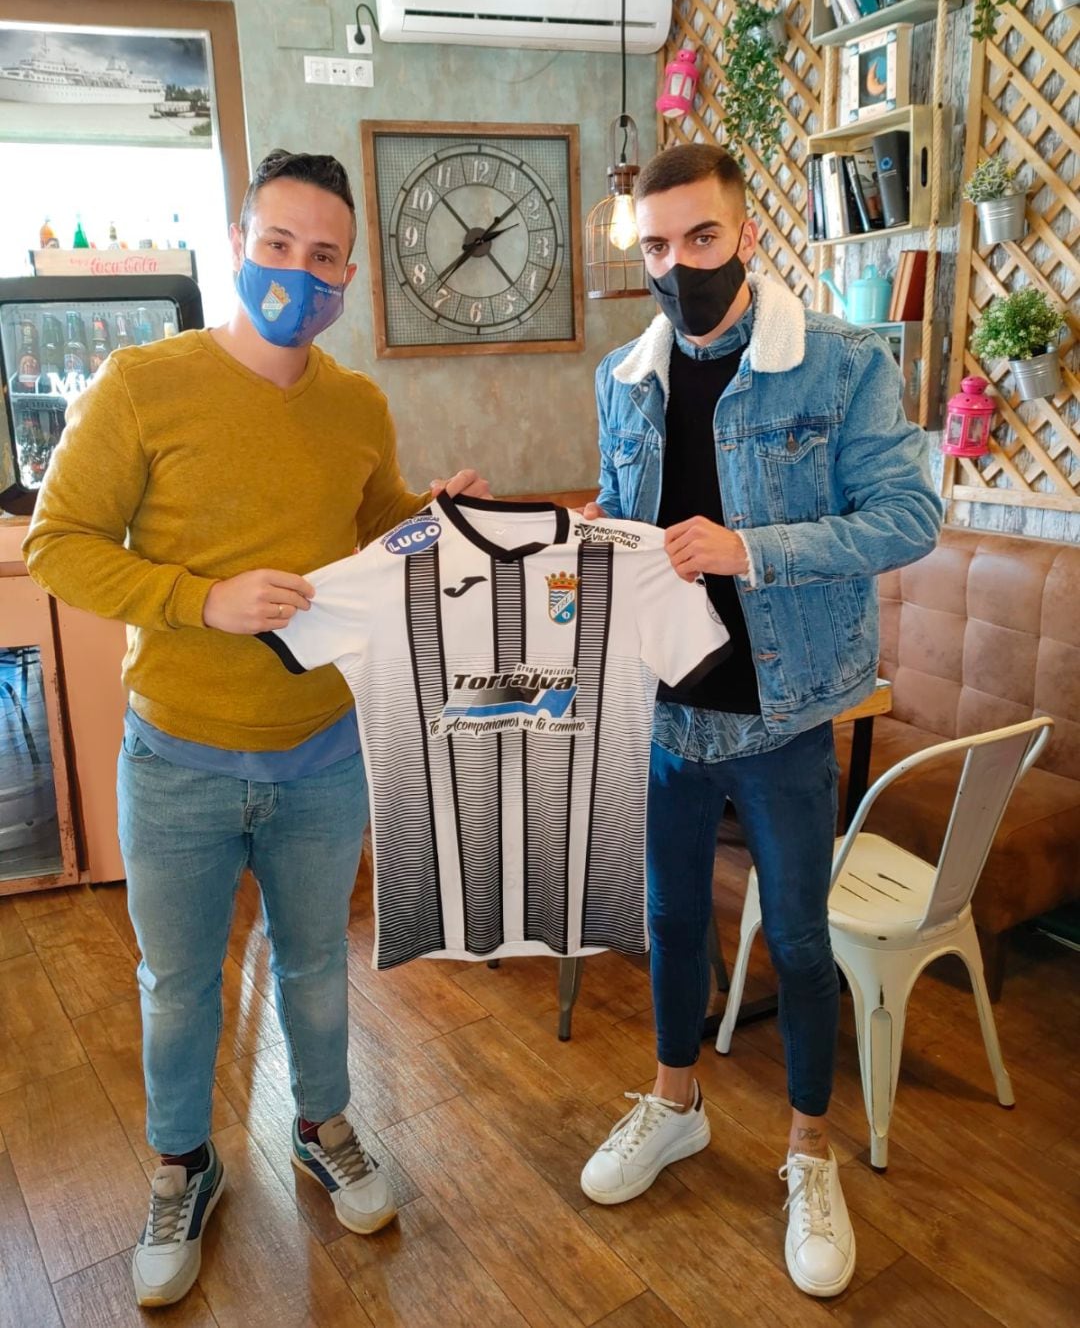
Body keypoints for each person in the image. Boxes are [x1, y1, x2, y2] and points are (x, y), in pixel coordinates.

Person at [23, 148, 488, 1309]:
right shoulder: (141, 384)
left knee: (321, 963)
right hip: (176, 752)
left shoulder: (356, 404)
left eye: (323, 256)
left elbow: (375, 528)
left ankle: (322, 1124)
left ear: (345, 278)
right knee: (179, 982)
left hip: (322, 751)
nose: (297, 270)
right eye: (276, 244)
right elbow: (58, 542)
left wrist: (434, 514)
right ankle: (184, 1163)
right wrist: (201, 597)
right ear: (238, 244)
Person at [578, 143, 941, 1298]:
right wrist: (592, 530)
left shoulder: (837, 364)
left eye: (699, 238)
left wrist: (754, 551)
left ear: (745, 234)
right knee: (672, 920)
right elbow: (632, 520)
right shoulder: (622, 377)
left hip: (785, 707)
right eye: (654, 244)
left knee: (797, 939)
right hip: (668, 703)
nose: (676, 264)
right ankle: (676, 1101)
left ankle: (807, 1149)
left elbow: (910, 515)